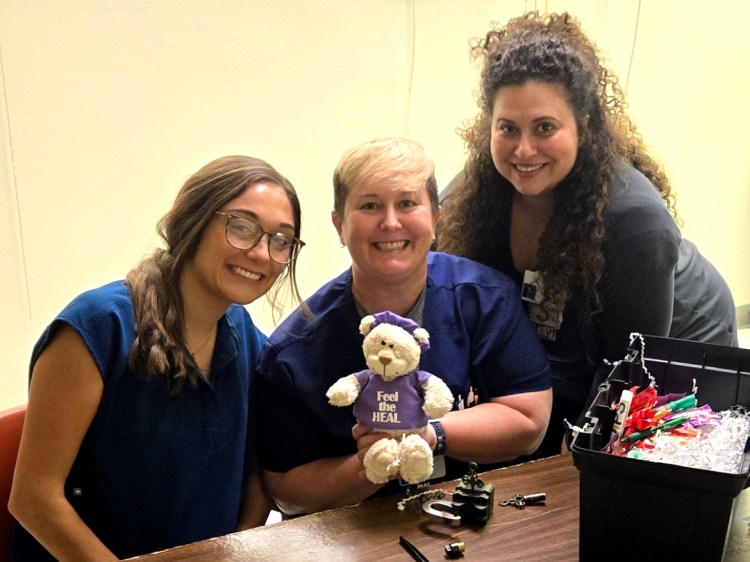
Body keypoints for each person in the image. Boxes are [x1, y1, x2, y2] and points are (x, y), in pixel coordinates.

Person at [436, 11, 738, 459]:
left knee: (603, 467)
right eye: (508, 128)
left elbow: (625, 370)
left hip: (672, 349)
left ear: (584, 125)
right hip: (574, 346)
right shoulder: (471, 198)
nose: (523, 150)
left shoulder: (636, 221)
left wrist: (572, 454)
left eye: (545, 127)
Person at [8, 155, 306, 560]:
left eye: (281, 240)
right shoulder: (97, 327)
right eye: (241, 227)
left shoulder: (251, 342)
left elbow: (257, 477)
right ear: (193, 222)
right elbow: (34, 500)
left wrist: (234, 551)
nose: (260, 252)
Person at [255, 136, 552, 516]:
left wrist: (428, 434)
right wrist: (369, 465)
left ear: (436, 216)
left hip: (475, 516)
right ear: (339, 225)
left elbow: (529, 421)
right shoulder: (294, 351)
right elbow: (285, 490)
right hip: (353, 537)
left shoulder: (487, 299)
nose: (391, 222)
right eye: (369, 205)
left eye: (407, 203)